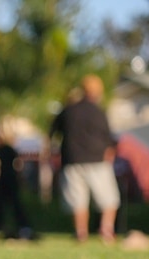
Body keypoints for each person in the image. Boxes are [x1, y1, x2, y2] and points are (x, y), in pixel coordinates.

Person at [48, 74, 120, 243]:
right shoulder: (99, 112)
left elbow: (52, 133)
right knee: (109, 199)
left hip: (72, 160)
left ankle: (81, 233)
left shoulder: (68, 110)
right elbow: (109, 139)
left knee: (77, 201)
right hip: (97, 160)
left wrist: (54, 154)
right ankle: (106, 230)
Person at [0, 127, 33, 239]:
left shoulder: (3, 150)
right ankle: (18, 225)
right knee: (5, 204)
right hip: (9, 179)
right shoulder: (8, 150)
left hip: (8, 179)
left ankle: (19, 225)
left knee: (10, 204)